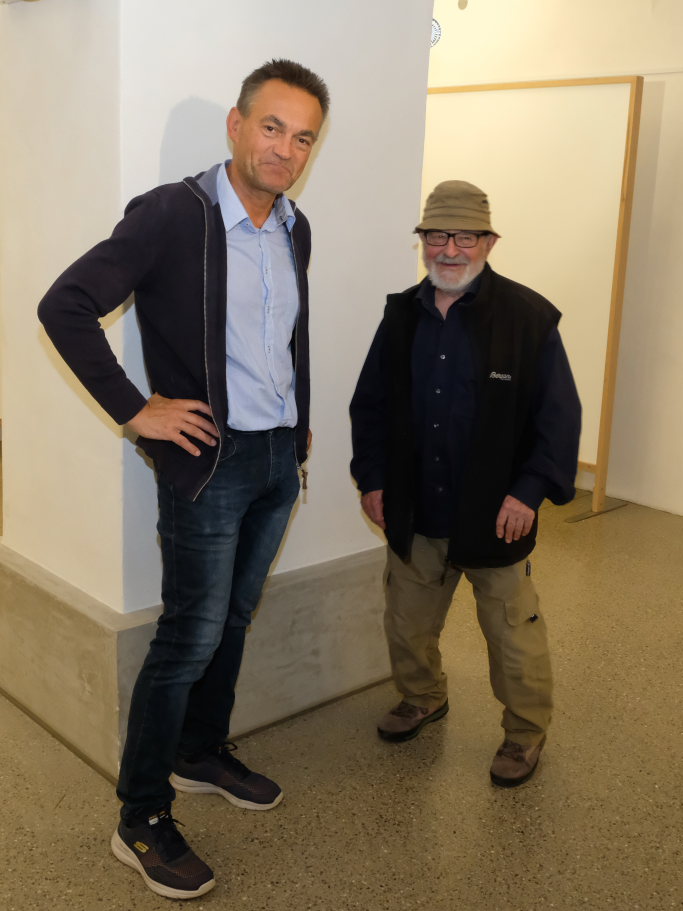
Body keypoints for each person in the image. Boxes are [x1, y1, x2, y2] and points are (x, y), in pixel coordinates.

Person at [38, 59, 329, 900]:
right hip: (209, 465)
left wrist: (295, 418)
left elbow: (284, 338)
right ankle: (140, 815)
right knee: (188, 637)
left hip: (277, 460)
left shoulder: (294, 228)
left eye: (302, 137)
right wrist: (137, 409)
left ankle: (198, 751)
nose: (285, 149)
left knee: (234, 616)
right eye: (271, 127)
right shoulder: (174, 213)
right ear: (235, 126)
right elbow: (64, 304)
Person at [350, 180, 581, 789]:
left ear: (488, 242)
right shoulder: (401, 315)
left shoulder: (528, 318)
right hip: (416, 506)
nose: (450, 250)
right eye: (437, 235)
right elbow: (370, 405)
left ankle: (525, 732)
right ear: (422, 241)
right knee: (407, 621)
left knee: (513, 635)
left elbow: (559, 418)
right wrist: (373, 479)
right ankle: (423, 697)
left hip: (495, 512)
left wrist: (529, 491)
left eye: (465, 236)